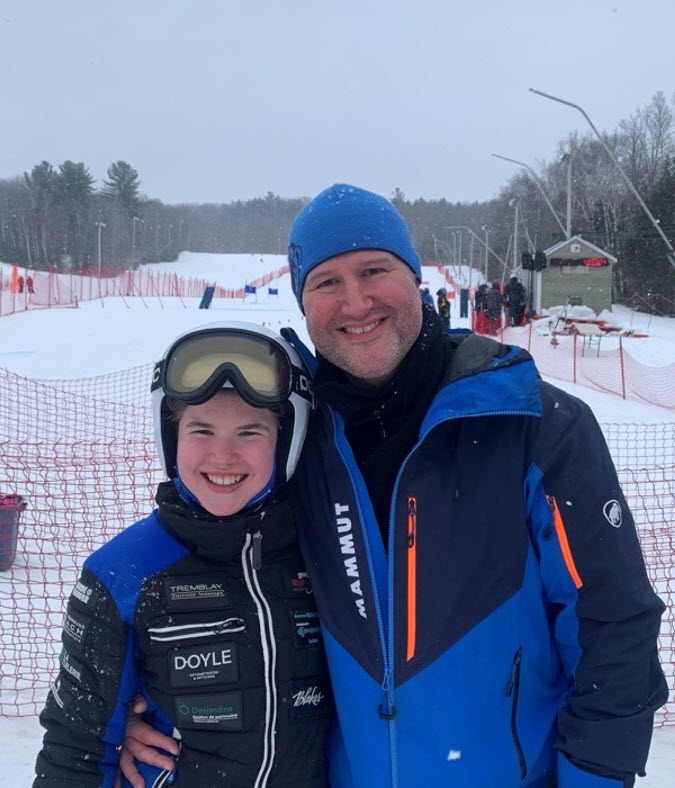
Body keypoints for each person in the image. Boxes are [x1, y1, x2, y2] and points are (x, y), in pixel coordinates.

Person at [123, 184, 667, 787]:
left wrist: (596, 777)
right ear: (302, 302)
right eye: (326, 282)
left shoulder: (534, 426)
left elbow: (612, 624)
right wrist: (145, 704)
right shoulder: (293, 440)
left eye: (374, 271)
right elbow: (223, 571)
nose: (355, 302)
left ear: (415, 276)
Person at [34, 322, 331, 787]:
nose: (223, 456)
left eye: (249, 432)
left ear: (287, 439)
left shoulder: (328, 553)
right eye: (202, 430)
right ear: (172, 437)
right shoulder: (124, 573)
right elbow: (76, 746)